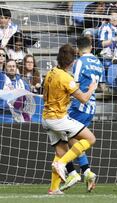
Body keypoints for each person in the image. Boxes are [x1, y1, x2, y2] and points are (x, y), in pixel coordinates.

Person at [42, 44, 97, 195]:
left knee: (61, 151)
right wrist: (92, 88)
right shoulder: (66, 78)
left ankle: (54, 188)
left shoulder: (51, 72)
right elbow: (84, 99)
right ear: (72, 62)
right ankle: (62, 164)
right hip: (59, 118)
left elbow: (57, 92)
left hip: (46, 117)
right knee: (90, 139)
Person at [59, 37, 103, 192]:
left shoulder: (79, 62)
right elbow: (99, 86)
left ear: (77, 49)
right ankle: (87, 173)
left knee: (61, 138)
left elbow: (75, 84)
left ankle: (73, 172)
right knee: (71, 138)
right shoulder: (98, 62)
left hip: (79, 106)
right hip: (91, 108)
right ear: (91, 47)